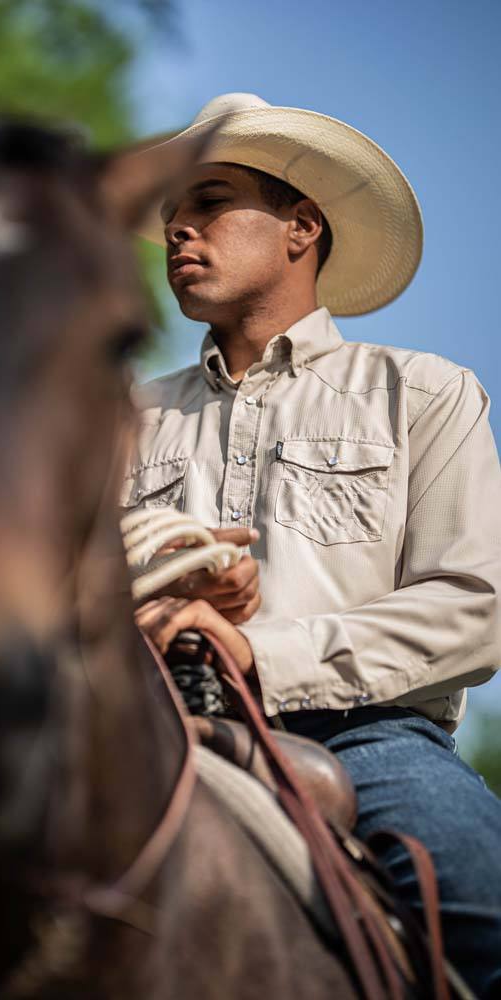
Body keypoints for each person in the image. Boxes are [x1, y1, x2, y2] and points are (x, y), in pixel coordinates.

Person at [128, 93, 501, 998]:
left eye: (209, 203)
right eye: (173, 213)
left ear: (301, 228)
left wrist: (258, 648)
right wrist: (152, 609)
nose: (180, 229)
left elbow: (474, 609)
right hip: (139, 737)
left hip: (366, 741)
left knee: (487, 907)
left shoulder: (423, 393)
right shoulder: (121, 419)